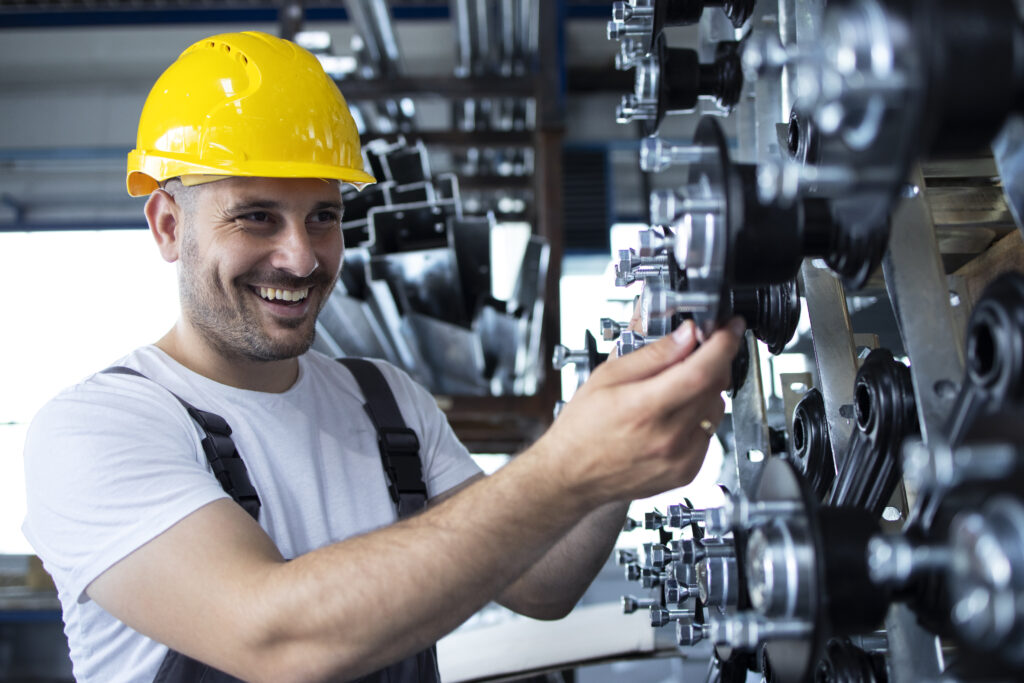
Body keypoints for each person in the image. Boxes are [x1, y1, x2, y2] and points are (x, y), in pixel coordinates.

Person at [22, 31, 743, 682]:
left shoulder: (384, 401)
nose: (301, 256)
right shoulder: (97, 429)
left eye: (324, 216)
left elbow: (542, 583)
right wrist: (568, 463)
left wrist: (621, 449)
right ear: (169, 225)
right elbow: (276, 638)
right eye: (256, 217)